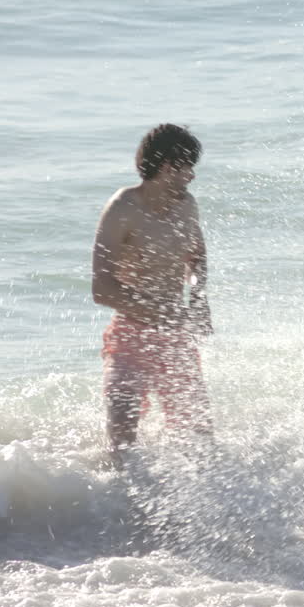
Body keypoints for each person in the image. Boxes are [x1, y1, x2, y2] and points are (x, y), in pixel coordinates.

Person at [92, 124, 214, 469]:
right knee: (121, 438)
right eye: (187, 167)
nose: (192, 176)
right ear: (167, 167)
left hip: (175, 341)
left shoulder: (186, 206)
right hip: (129, 338)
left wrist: (199, 300)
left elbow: (197, 255)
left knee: (200, 442)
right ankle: (117, 498)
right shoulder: (123, 208)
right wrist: (166, 315)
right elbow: (102, 289)